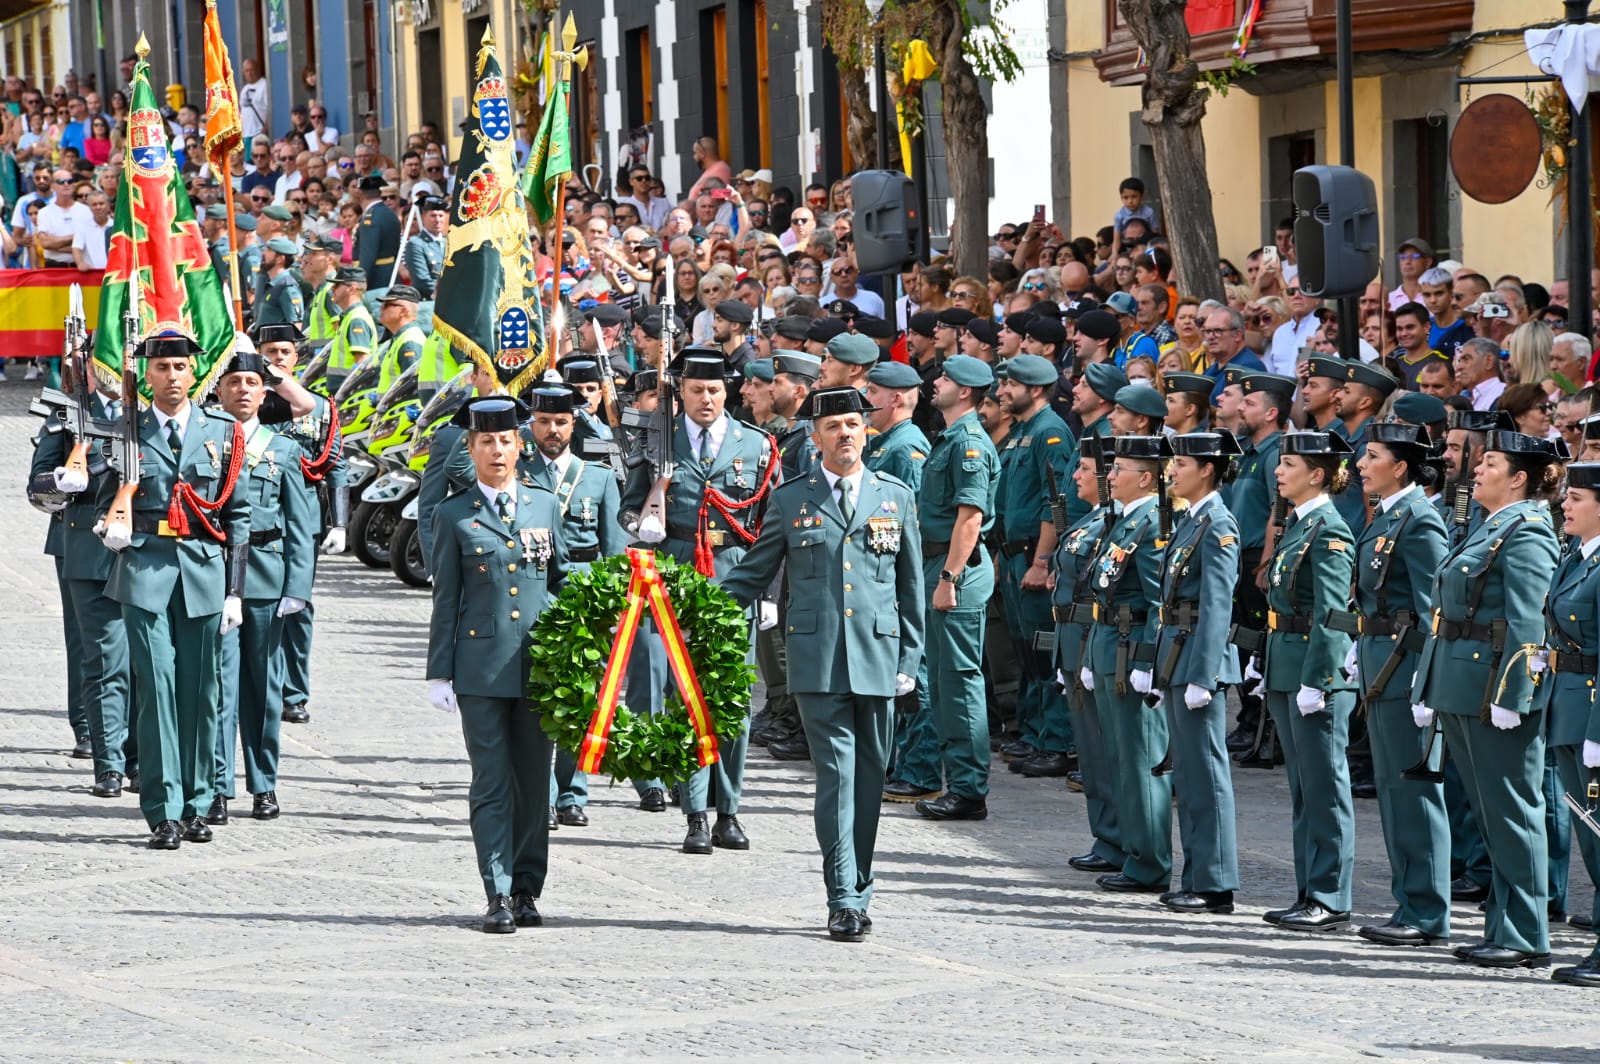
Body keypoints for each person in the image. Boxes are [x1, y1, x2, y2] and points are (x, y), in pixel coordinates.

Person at [718, 386, 924, 941]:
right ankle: (844, 897)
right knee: (836, 775)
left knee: (871, 778)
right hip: (817, 659)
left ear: (867, 431)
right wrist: (698, 608)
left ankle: (860, 878)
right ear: (815, 437)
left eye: (853, 424)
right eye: (833, 427)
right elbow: (753, 572)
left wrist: (910, 655)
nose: (845, 435)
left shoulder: (895, 496)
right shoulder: (791, 500)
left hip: (879, 658)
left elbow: (911, 586)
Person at [1411, 427, 1563, 969]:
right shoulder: (1486, 527)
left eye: (1491, 463)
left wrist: (1515, 692)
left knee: (1513, 811)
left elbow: (1528, 620)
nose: (1477, 469)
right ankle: (1505, 925)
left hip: (1492, 689)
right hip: (1462, 683)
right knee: (1489, 812)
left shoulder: (1527, 532)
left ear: (1519, 478)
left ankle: (1526, 934)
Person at [97, 333, 251, 850]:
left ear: (194, 372)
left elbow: (238, 516)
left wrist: (235, 589)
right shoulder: (126, 432)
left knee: (202, 692)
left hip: (203, 573)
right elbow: (103, 500)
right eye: (161, 367)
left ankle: (199, 801)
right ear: (149, 373)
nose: (172, 376)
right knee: (158, 687)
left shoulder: (222, 432)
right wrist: (110, 527)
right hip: (144, 570)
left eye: (180, 366)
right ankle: (164, 810)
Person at [626, 350, 777, 853]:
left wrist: (771, 591)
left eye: (714, 390)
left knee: (731, 702)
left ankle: (728, 810)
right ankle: (694, 812)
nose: (706, 399)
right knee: (682, 700)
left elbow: (770, 527)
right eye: (696, 390)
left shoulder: (756, 446)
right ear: (682, 392)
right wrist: (644, 525)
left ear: (727, 392)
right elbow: (629, 509)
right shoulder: (656, 442)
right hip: (677, 579)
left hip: (738, 576)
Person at [427, 396, 567, 933]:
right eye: (486, 441)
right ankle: (498, 891)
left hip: (538, 667)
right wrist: (439, 671)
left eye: (506, 440)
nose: (497, 450)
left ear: (519, 445)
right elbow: (446, 599)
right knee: (491, 782)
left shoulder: (543, 504)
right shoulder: (453, 512)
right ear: (471, 448)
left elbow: (559, 580)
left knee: (534, 785)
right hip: (481, 667)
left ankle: (529, 889)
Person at [1338, 424, 1452, 947]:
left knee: (1414, 791)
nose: (1362, 464)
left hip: (1406, 666)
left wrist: (1427, 682)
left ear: (1402, 466)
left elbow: (1433, 610)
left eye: (1374, 456)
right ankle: (1409, 901)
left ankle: (1427, 911)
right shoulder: (1388, 515)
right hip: (1381, 658)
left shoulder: (1420, 521)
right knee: (1390, 790)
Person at [208, 350, 317, 825]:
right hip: (214, 578)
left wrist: (298, 586)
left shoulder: (284, 449)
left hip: (266, 577)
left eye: (253, 382)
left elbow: (301, 524)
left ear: (265, 390)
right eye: (235, 382)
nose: (244, 390)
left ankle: (264, 783)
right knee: (218, 688)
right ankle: (215, 786)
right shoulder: (203, 442)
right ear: (219, 390)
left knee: (264, 689)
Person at [1259, 430, 1357, 931]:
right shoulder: (1300, 524)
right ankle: (1308, 889)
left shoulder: (1329, 530)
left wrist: (1320, 678)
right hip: (1286, 664)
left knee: (1324, 786)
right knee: (1302, 786)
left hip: (1313, 672)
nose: (1279, 472)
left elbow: (1333, 613)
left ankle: (1329, 894)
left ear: (1317, 474)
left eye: (1289, 464)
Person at [522, 387, 628, 829]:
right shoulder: (517, 470)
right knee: (539, 699)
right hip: (532, 592)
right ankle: (541, 793)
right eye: (544, 421)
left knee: (583, 701)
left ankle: (572, 791)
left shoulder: (598, 477)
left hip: (585, 596)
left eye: (562, 422)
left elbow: (614, 549)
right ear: (531, 423)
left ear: (574, 425)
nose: (553, 430)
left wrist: (614, 605)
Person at [27, 353, 130, 792]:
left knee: (140, 654)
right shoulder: (68, 411)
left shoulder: (144, 410)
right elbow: (36, 485)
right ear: (89, 366)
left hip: (138, 542)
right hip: (81, 542)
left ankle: (135, 749)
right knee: (92, 649)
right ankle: (91, 731)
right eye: (101, 363)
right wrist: (64, 477)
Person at [1154, 431, 1244, 914]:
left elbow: (1216, 606)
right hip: (1179, 655)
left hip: (1197, 661)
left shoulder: (1217, 524)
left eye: (1182, 463)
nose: (1173, 471)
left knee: (1206, 774)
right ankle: (1197, 875)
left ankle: (1214, 882)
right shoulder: (1192, 521)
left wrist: (1204, 676)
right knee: (1188, 776)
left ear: (1207, 469)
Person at [1077, 434, 1168, 893]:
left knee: (1139, 757)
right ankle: (1130, 848)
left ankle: (1149, 859)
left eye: (1118, 471)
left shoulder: (1151, 522)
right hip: (1111, 641)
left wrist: (1149, 660)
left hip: (1132, 647)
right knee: (1118, 756)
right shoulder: (1125, 519)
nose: (1109, 477)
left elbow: (1158, 601)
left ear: (1146, 478)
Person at [914, 356, 1002, 821]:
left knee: (960, 682)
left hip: (956, 569)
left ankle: (969, 789)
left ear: (965, 391)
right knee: (945, 682)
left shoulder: (969, 444)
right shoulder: (949, 437)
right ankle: (960, 783)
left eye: (945, 378)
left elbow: (970, 518)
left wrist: (948, 578)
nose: (937, 382)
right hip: (940, 563)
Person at [992, 355, 1077, 779]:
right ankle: (1032, 732)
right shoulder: (1023, 431)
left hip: (1032, 555)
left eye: (1012, 384)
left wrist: (1044, 560)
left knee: (1045, 652)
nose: (1003, 391)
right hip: (1012, 555)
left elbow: (1054, 502)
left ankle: (1055, 740)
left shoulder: (1050, 433)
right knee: (1027, 651)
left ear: (1037, 389)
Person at [1545, 463, 1600, 986]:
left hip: (1590, 714)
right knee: (1590, 836)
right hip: (1565, 708)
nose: (1566, 504)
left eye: (1577, 497)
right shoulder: (1576, 559)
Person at [323, 265, 376, 393]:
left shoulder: (356, 319)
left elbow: (362, 363)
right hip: (341, 390)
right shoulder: (350, 316)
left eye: (337, 286)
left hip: (347, 392)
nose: (332, 289)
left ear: (351, 289)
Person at [374, 284, 427, 394]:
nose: (381, 308)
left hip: (398, 409)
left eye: (387, 305)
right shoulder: (400, 338)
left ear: (403, 311)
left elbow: (412, 387)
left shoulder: (410, 342)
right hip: (388, 408)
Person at [353, 174, 401, 283]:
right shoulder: (390, 213)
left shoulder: (370, 219)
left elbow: (368, 257)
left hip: (375, 280)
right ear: (380, 193)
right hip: (389, 275)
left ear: (360, 194)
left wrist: (360, 282)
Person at [255, 237, 306, 329]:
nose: (263, 253)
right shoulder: (273, 285)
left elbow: (296, 325)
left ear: (280, 259)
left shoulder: (288, 288)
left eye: (269, 250)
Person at [402, 195, 448, 298]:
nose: (437, 220)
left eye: (441, 215)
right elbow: (422, 281)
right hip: (429, 301)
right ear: (423, 217)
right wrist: (447, 295)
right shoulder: (416, 243)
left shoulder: (448, 242)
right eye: (433, 216)